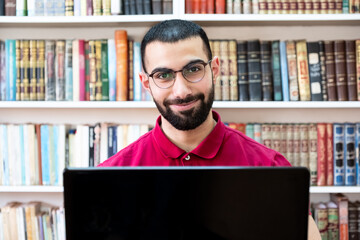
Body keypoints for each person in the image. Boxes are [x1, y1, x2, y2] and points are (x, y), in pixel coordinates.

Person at [98, 19, 321, 239]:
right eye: (163, 75)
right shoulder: (108, 177)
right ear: (146, 83)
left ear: (214, 69)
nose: (181, 91)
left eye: (193, 69)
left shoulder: (271, 168)